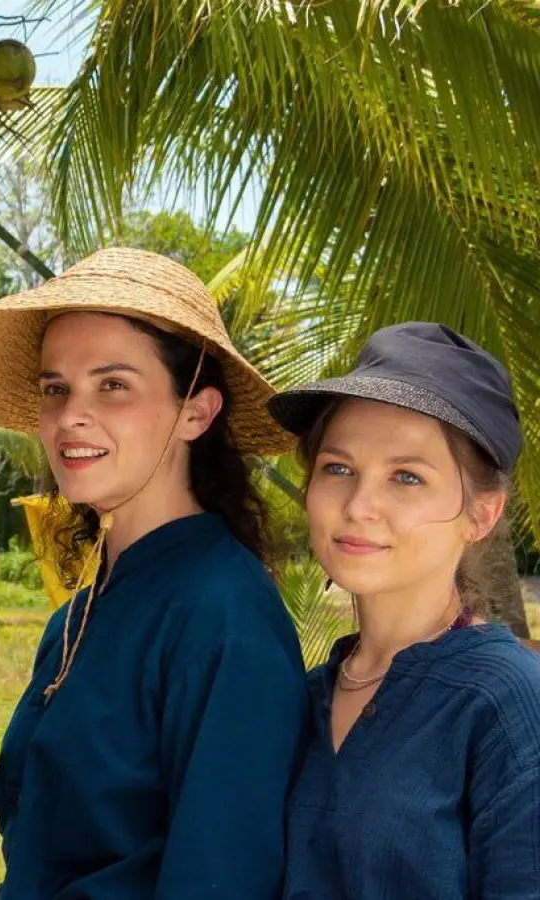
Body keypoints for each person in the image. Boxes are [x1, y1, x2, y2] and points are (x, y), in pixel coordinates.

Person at [0, 247, 308, 899]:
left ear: (196, 412)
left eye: (113, 385)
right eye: (55, 388)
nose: (71, 415)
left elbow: (222, 878)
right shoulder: (78, 617)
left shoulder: (226, 615)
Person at [269, 322, 540, 899]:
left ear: (481, 515)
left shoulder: (508, 702)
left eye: (407, 477)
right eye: (338, 468)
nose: (360, 506)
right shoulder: (301, 698)